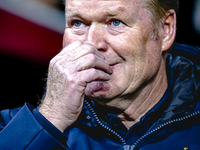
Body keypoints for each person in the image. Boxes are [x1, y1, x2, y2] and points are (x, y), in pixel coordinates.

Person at [1, 0, 200, 149]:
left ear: (165, 30)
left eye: (115, 22)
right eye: (78, 23)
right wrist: (50, 119)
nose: (93, 43)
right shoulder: (15, 126)